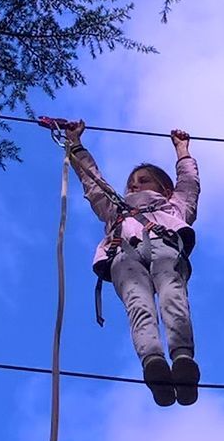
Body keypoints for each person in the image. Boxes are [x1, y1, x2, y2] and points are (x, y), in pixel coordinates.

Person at [61, 120, 201, 406]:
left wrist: (182, 151)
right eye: (131, 182)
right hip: (124, 254)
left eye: (144, 180)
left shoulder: (175, 206)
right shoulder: (115, 208)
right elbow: (93, 181)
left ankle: (182, 357)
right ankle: (153, 361)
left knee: (172, 295)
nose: (135, 185)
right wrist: (75, 144)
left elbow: (189, 184)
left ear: (163, 188)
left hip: (163, 245)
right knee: (139, 305)